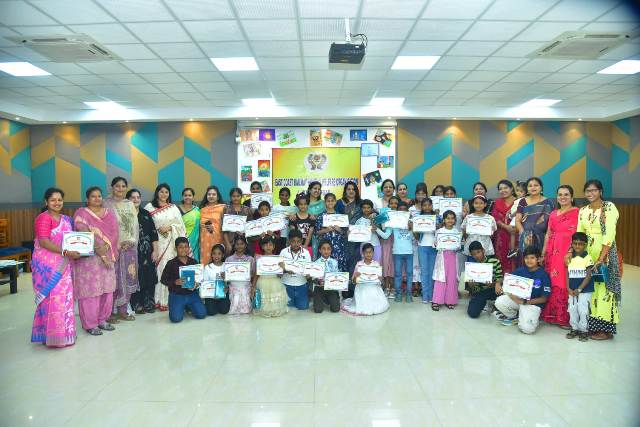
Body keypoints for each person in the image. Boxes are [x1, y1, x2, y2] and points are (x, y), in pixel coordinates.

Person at [30, 188, 79, 347]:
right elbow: (44, 242)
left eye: (59, 200)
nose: (57, 203)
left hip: (64, 263)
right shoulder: (43, 218)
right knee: (52, 298)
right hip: (46, 266)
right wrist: (66, 252)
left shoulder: (66, 219)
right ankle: (51, 336)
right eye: (53, 200)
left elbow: (72, 239)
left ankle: (65, 334)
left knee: (65, 298)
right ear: (46, 202)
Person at [577, 179, 621, 340]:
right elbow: (579, 234)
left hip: (605, 254)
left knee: (605, 290)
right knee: (590, 289)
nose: (590, 193)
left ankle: (605, 329)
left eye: (594, 190)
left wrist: (601, 258)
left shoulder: (609, 207)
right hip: (588, 253)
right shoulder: (583, 210)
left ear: (600, 191)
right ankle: (593, 326)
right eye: (587, 191)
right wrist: (576, 253)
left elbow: (610, 233)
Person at [73, 186, 119, 335]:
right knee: (91, 291)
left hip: (107, 255)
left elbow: (114, 233)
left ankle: (102, 320)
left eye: (99, 196)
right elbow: (84, 233)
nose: (97, 198)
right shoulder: (81, 213)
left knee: (107, 289)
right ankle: (90, 324)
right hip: (89, 259)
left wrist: (106, 248)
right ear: (87, 199)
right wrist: (100, 251)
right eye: (93, 196)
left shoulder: (109, 213)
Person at [540, 185, 578, 328]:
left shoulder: (577, 212)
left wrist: (571, 251)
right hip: (553, 251)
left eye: (566, 194)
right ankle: (553, 314)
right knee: (553, 280)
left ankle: (565, 317)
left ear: (572, 197)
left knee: (564, 281)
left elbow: (579, 234)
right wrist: (543, 253)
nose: (563, 197)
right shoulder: (553, 213)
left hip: (568, 251)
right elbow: (548, 234)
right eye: (560, 194)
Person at [144, 183, 187, 311]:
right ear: (157, 193)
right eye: (161, 191)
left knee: (171, 269)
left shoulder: (173, 208)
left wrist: (170, 227)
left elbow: (181, 226)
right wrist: (158, 229)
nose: (164, 194)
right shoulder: (149, 207)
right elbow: (146, 226)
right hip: (157, 244)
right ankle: (157, 299)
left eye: (166, 192)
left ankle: (169, 299)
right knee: (159, 270)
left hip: (172, 244)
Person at [104, 177, 138, 322]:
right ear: (112, 187)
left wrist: (132, 241)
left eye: (123, 186)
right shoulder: (106, 204)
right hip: (113, 249)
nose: (120, 189)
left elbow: (135, 226)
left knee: (129, 277)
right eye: (117, 186)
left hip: (130, 248)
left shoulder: (129, 204)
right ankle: (109, 312)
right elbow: (104, 227)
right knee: (114, 279)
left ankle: (123, 311)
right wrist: (115, 244)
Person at [494, 246, 551, 334]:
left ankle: (527, 317)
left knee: (527, 329)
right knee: (499, 302)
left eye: (532, 258)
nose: (529, 260)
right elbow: (508, 282)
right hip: (519, 300)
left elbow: (544, 299)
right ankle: (514, 317)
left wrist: (524, 302)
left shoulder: (544, 275)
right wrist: (498, 284)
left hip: (532, 304)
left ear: (539, 259)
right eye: (526, 258)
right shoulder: (520, 270)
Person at [127, 188, 158, 314]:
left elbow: (154, 234)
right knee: (135, 276)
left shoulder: (146, 214)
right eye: (133, 197)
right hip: (131, 253)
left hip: (147, 252)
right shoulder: (126, 215)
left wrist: (155, 251)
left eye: (138, 197)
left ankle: (149, 303)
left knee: (149, 277)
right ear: (128, 200)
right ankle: (137, 304)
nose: (136, 200)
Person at [160, 237, 206, 323]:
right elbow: (163, 280)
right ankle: (181, 306)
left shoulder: (194, 262)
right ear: (176, 249)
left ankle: (187, 306)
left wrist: (196, 284)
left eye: (186, 247)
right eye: (180, 247)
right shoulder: (171, 263)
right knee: (176, 319)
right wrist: (175, 282)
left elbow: (199, 279)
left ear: (188, 248)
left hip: (191, 294)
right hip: (177, 294)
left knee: (202, 314)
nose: (184, 249)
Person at [379, 201, 414, 302]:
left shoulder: (411, 222)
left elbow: (414, 238)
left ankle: (409, 294)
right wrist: (376, 229)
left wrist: (412, 228)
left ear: (407, 211)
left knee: (409, 274)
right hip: (397, 252)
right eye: (400, 210)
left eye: (404, 210)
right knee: (397, 274)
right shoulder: (392, 223)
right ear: (397, 211)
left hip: (409, 252)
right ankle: (398, 293)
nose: (402, 212)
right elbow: (385, 236)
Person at [515, 177, 555, 264]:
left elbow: (552, 223)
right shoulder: (522, 201)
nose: (533, 188)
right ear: (527, 189)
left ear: (541, 188)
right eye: (530, 186)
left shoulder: (549, 202)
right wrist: (523, 234)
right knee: (525, 263)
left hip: (543, 239)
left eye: (536, 185)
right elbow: (517, 220)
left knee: (540, 263)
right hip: (526, 238)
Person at [342, 243, 390, 316]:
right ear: (363, 253)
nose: (368, 254)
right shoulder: (359, 264)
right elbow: (354, 281)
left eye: (370, 252)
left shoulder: (376, 264)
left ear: (373, 253)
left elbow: (381, 282)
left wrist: (381, 279)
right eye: (366, 252)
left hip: (374, 288)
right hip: (362, 288)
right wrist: (356, 277)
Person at [565, 232, 595, 341]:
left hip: (584, 290)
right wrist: (568, 287)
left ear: (585, 245)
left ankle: (584, 330)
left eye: (580, 244)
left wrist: (580, 289)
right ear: (572, 244)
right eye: (575, 243)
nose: (577, 246)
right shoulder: (569, 257)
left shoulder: (588, 258)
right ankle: (574, 328)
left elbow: (588, 275)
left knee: (583, 310)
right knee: (572, 309)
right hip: (572, 290)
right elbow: (567, 273)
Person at [465, 241, 503, 319]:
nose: (476, 255)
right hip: (480, 292)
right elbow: (472, 287)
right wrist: (471, 284)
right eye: (473, 254)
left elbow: (499, 277)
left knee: (504, 289)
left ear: (483, 251)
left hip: (493, 290)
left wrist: (495, 284)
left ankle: (495, 304)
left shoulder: (495, 261)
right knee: (473, 313)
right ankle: (484, 303)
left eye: (478, 252)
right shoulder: (471, 266)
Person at [432, 210, 460, 311]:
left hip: (453, 257)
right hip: (442, 257)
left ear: (455, 220)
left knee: (451, 278)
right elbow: (435, 244)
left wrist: (457, 246)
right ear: (444, 220)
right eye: (448, 218)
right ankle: (436, 301)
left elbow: (458, 245)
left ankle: (450, 300)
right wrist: (436, 244)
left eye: (452, 218)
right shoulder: (439, 231)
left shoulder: (456, 232)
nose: (450, 220)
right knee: (440, 278)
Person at [254, 236, 288, 317]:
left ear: (274, 246)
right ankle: (265, 311)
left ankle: (275, 311)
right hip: (262, 281)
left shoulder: (278, 259)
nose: (268, 247)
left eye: (270, 245)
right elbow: (256, 273)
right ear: (262, 246)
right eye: (266, 245)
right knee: (264, 298)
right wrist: (253, 286)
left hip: (275, 281)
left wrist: (282, 268)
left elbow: (280, 275)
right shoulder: (259, 258)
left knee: (274, 298)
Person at [280, 229, 312, 310]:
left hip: (301, 284)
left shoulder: (306, 253)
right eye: (293, 241)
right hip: (287, 284)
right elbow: (279, 272)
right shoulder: (283, 252)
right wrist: (284, 270)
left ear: (302, 241)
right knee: (288, 308)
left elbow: (309, 269)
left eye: (298, 241)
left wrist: (308, 275)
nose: (296, 244)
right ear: (289, 241)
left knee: (303, 307)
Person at [336, 180, 362, 278]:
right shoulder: (339, 203)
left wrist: (372, 214)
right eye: (349, 189)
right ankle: (343, 284)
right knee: (343, 260)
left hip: (357, 238)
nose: (351, 191)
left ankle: (352, 284)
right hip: (342, 237)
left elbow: (371, 211)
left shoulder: (361, 203)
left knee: (355, 261)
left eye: (353, 189)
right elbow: (334, 217)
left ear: (356, 191)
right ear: (345, 191)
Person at [315, 193, 348, 271]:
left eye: (332, 201)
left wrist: (339, 230)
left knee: (337, 268)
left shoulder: (340, 216)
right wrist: (326, 230)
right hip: (325, 248)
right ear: (325, 202)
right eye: (328, 201)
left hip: (338, 247)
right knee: (324, 269)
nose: (330, 203)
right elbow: (316, 232)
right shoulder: (321, 216)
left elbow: (345, 233)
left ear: (335, 202)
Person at [491, 179, 517, 274]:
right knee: (501, 258)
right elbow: (495, 218)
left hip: (516, 234)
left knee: (515, 259)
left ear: (511, 189)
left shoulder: (519, 201)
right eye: (500, 189)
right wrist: (506, 227)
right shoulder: (497, 202)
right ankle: (501, 281)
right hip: (501, 236)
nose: (503, 190)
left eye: (505, 188)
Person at [415, 197, 437, 303]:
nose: (427, 207)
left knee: (433, 271)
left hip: (434, 247)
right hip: (422, 247)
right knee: (424, 272)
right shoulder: (418, 219)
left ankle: (432, 295)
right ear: (421, 207)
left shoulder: (437, 218)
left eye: (429, 205)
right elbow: (416, 237)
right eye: (424, 205)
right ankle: (425, 295)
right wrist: (414, 229)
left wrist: (438, 226)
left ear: (432, 206)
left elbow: (440, 232)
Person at [226, 236, 255, 314]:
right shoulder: (229, 259)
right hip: (234, 285)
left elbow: (253, 274)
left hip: (246, 285)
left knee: (246, 310)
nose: (239, 246)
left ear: (245, 245)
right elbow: (227, 276)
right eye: (237, 244)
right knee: (234, 308)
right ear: (234, 245)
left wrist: (247, 274)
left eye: (241, 244)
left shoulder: (250, 259)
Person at [311, 240, 341, 313]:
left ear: (331, 250)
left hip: (331, 287)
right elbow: (313, 279)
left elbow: (336, 276)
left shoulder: (334, 262)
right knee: (318, 310)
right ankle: (320, 299)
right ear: (320, 250)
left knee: (336, 309)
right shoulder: (316, 263)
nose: (326, 251)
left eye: (328, 249)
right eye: (324, 249)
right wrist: (319, 282)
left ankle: (328, 299)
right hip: (319, 288)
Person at [199, 185, 226, 265]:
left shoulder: (223, 208)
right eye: (209, 194)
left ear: (218, 197)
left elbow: (226, 225)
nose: (211, 196)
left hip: (218, 239)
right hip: (204, 241)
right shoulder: (202, 210)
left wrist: (213, 228)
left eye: (214, 194)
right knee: (205, 262)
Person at [202, 244, 231, 316]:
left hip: (223, 293)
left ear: (223, 255)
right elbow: (205, 284)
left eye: (219, 254)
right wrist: (211, 294)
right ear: (211, 255)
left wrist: (226, 283)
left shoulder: (226, 266)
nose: (216, 256)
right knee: (211, 312)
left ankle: (219, 305)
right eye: (214, 254)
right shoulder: (207, 267)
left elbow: (230, 282)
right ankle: (210, 304)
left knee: (224, 311)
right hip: (211, 294)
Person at [379, 195, 399, 297]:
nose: (394, 205)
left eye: (396, 203)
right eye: (391, 203)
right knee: (386, 263)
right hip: (386, 242)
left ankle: (394, 287)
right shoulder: (384, 214)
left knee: (395, 265)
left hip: (397, 243)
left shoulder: (402, 216)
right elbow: (381, 228)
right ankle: (387, 287)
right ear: (388, 205)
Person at [223, 187, 252, 256]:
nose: (236, 198)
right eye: (233, 196)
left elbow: (250, 227)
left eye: (238, 196)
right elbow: (224, 230)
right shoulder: (226, 209)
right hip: (230, 243)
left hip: (244, 243)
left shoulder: (247, 210)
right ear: (230, 197)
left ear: (241, 196)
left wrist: (244, 232)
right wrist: (227, 243)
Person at [179, 187, 200, 262]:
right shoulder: (177, 210)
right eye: (185, 195)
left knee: (193, 262)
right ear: (182, 197)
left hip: (195, 243)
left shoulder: (197, 210)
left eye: (190, 195)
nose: (187, 197)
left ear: (193, 197)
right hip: (181, 240)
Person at [507, 181, 526, 258]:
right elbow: (513, 208)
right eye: (517, 190)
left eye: (521, 191)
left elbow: (519, 210)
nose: (518, 193)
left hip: (518, 218)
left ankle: (516, 249)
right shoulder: (517, 200)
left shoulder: (523, 200)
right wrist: (509, 212)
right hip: (514, 218)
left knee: (516, 234)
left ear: (525, 192)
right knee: (513, 234)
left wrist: (512, 214)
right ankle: (513, 249)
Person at [307, 181, 325, 258]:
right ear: (309, 190)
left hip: (320, 235)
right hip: (305, 235)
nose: (317, 190)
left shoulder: (323, 203)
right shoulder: (304, 203)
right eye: (315, 188)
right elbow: (297, 213)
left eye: (319, 189)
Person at [272, 187, 294, 253]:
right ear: (279, 196)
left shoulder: (292, 209)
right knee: (278, 254)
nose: (284, 197)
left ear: (289, 196)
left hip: (288, 236)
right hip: (277, 235)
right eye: (282, 195)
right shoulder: (274, 208)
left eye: (286, 195)